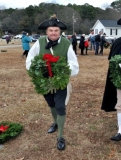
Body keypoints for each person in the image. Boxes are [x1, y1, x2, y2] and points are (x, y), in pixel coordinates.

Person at [26, 14, 79, 150]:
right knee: (51, 103)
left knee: (60, 106)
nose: (53, 33)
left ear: (60, 31)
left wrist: (62, 69)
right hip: (44, 81)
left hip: (60, 82)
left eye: (56, 30)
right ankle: (55, 122)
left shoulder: (66, 44)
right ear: (46, 31)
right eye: (51, 30)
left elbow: (73, 64)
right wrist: (36, 68)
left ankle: (60, 136)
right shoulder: (40, 42)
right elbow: (31, 58)